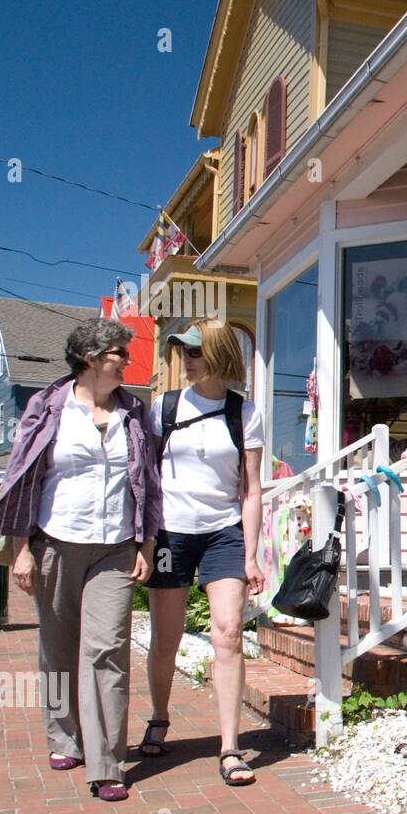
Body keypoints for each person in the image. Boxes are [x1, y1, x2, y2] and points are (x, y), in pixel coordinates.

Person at [0, 319, 160, 801]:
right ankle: (64, 737)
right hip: (56, 540)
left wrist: (146, 545)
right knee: (59, 648)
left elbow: (150, 482)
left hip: (116, 546)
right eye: (119, 353)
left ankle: (106, 763)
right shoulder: (47, 408)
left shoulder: (133, 412)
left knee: (106, 649)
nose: (127, 360)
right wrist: (21, 549)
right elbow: (22, 477)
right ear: (91, 357)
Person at [142, 320, 265, 786]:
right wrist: (146, 538)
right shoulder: (165, 408)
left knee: (229, 632)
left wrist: (251, 555)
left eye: (195, 352)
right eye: (183, 352)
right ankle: (158, 716)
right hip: (171, 536)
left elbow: (251, 490)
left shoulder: (244, 413)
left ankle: (231, 747)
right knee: (167, 637)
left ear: (216, 355)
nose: (186, 360)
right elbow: (148, 479)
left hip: (223, 534)